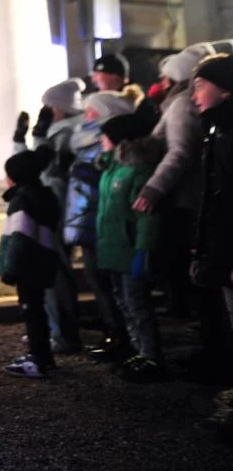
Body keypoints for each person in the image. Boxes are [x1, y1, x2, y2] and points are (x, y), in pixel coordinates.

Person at [133, 46, 207, 320]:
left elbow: (180, 151)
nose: (160, 84)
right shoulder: (178, 103)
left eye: (165, 78)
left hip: (184, 197)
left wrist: (153, 188)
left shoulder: (181, 105)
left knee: (182, 260)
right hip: (184, 194)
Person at [63, 89, 137, 357]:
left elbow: (110, 178)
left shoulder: (109, 139)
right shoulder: (87, 138)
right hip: (86, 216)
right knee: (98, 280)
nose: (86, 115)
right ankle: (116, 334)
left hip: (100, 217)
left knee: (106, 281)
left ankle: (122, 339)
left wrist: (85, 173)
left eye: (92, 110)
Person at [14, 78, 84, 354]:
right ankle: (56, 330)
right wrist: (24, 141)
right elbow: (26, 167)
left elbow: (43, 168)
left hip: (54, 205)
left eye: (48, 106)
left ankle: (62, 334)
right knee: (51, 271)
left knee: (54, 273)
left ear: (59, 108)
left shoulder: (67, 133)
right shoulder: (61, 131)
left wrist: (33, 139)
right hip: (51, 204)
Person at [96, 114, 164, 382]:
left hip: (129, 248)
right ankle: (138, 351)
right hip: (112, 248)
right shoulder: (112, 168)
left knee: (138, 305)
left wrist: (143, 249)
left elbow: (146, 216)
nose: (101, 140)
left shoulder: (138, 170)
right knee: (124, 303)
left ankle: (152, 356)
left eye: (106, 136)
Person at [0, 146, 60, 378]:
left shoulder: (23, 201)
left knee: (32, 311)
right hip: (43, 260)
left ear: (14, 177)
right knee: (37, 310)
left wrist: (10, 269)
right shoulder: (44, 195)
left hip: (28, 266)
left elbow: (20, 238)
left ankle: (39, 359)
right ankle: (43, 355)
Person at [188, 54, 233, 382]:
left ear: (227, 90)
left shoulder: (228, 133)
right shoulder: (216, 130)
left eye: (201, 86)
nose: (193, 96)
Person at [91, 52, 159, 127]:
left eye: (97, 74)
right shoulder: (96, 99)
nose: (94, 79)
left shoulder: (140, 103)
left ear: (114, 75)